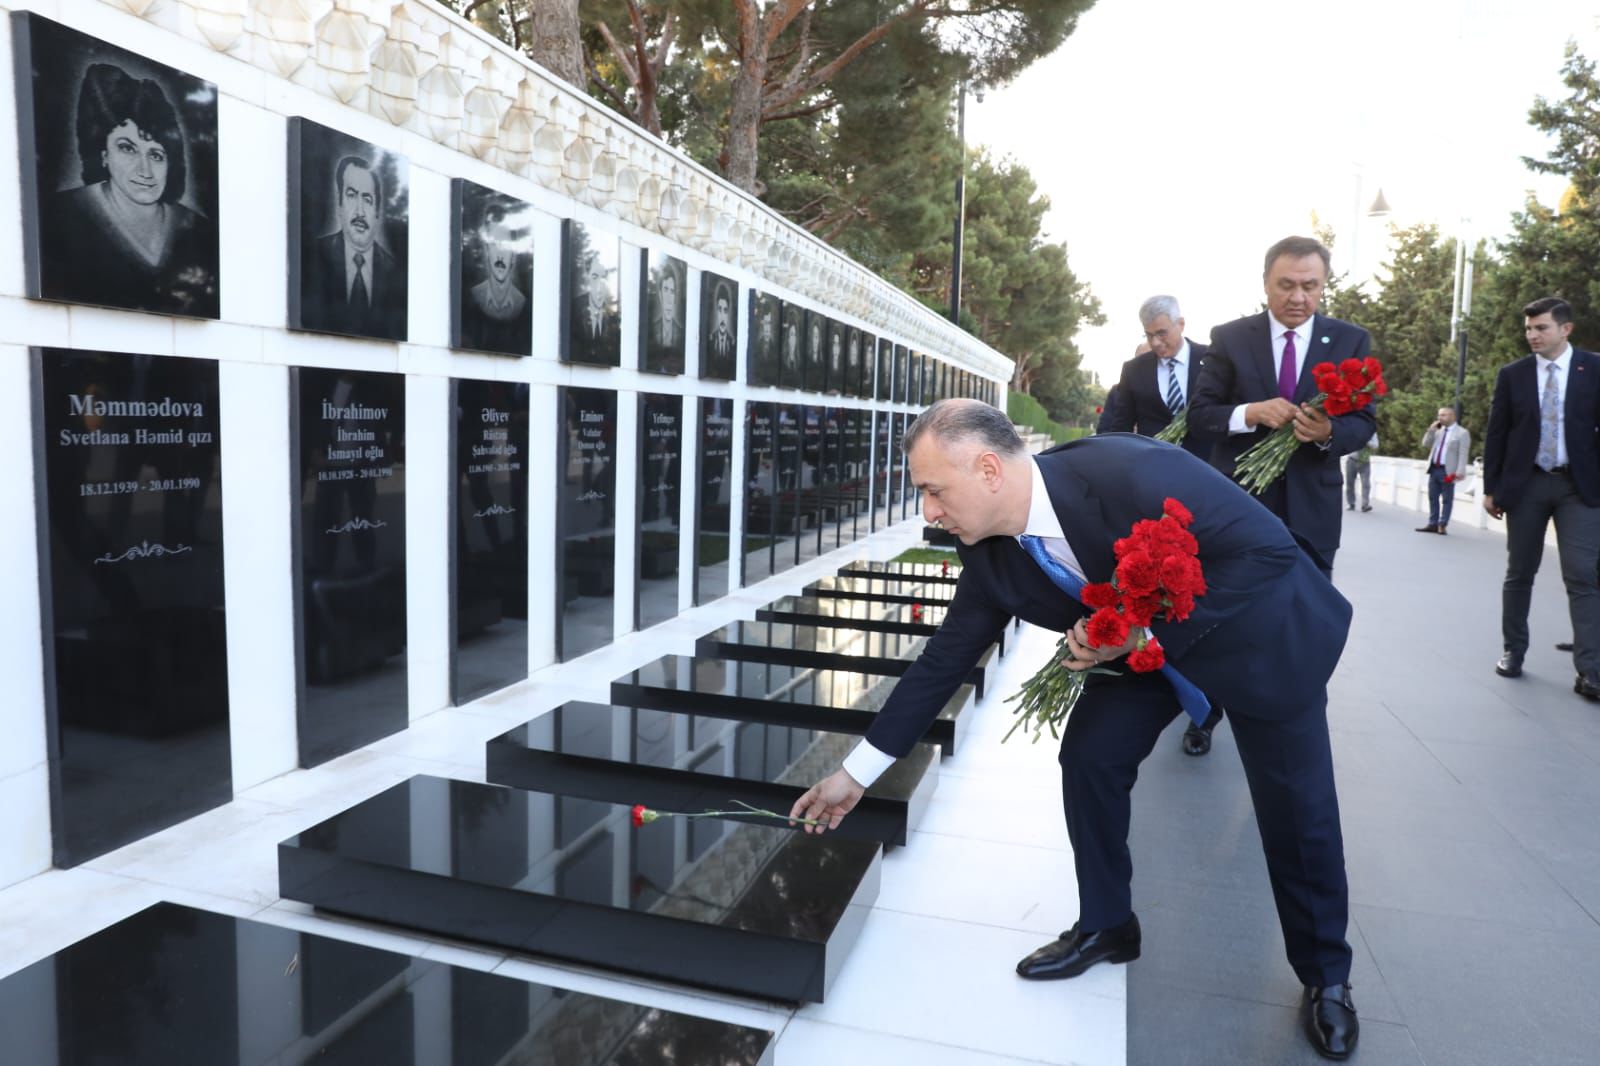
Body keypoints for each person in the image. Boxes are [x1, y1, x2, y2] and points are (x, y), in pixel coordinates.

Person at [793, 400, 1360, 1061]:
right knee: (1089, 758)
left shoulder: (1130, 472)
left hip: (1258, 636)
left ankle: (1327, 978)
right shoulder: (987, 554)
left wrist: (1140, 632)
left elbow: (1265, 551)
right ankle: (1108, 925)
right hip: (1139, 647)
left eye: (933, 490)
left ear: (986, 469)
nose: (929, 512)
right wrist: (855, 774)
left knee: (1297, 810)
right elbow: (945, 658)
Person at [1189, 236, 1376, 575]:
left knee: (1307, 617)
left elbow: (1364, 421)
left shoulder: (1350, 341)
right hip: (1239, 508)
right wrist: (1251, 413)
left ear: (1323, 285)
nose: (1298, 298)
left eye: (1309, 286)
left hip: (1313, 514)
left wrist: (1327, 431)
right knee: (1239, 617)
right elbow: (1200, 416)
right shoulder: (1231, 338)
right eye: (1286, 285)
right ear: (1265, 283)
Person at [1483, 297, 1600, 698]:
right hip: (1527, 485)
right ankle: (1513, 651)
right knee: (1520, 573)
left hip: (1579, 488)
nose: (1532, 335)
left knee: (1582, 576)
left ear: (1565, 329)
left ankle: (1591, 671)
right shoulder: (1513, 374)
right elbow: (1497, 432)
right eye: (1529, 328)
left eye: (1541, 328)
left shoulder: (1594, 369)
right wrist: (1491, 487)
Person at [50, 63, 218, 317]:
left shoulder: (197, 228)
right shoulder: (60, 216)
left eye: (157, 155)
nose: (145, 170)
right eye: (127, 149)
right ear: (103, 155)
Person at [302, 155, 406, 339]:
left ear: (377, 212)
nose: (360, 211)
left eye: (367, 199)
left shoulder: (395, 271)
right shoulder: (311, 258)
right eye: (351, 195)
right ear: (339, 204)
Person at [1106, 296, 1210, 459]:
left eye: (1162, 334)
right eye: (1149, 335)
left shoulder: (1212, 360)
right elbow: (1121, 428)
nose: (1155, 343)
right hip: (1150, 469)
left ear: (1181, 325)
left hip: (1205, 468)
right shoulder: (1133, 370)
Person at [462, 207, 528, 354]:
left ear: (513, 256)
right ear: (486, 252)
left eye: (504, 242)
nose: (499, 254)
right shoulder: (471, 299)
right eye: (494, 243)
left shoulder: (522, 304)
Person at [1418, 407, 1470, 533]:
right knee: (1433, 497)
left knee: (1447, 499)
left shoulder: (1462, 433)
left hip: (1448, 471)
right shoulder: (1438, 431)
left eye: (1443, 415)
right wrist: (1431, 431)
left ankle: (1442, 524)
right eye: (1439, 415)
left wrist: (1460, 471)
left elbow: (1463, 454)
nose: (1440, 418)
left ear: (1452, 416)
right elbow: (1425, 444)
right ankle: (1432, 523)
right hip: (1434, 469)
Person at [1345, 432, 1377, 512]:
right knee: (1350, 483)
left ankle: (1365, 505)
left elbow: (1376, 445)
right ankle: (1351, 503)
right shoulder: (1355, 430)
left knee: (1366, 484)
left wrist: (1367, 442)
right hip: (1352, 460)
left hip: (1365, 461)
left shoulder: (1372, 433)